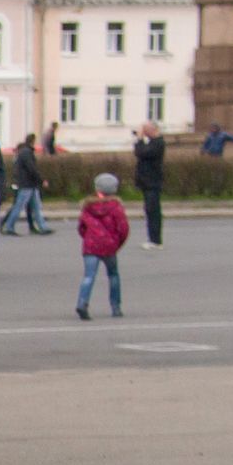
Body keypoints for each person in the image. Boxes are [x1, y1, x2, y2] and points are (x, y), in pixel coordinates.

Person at [75, 173, 129, 320]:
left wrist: (88, 238)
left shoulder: (88, 207)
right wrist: (117, 243)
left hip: (91, 246)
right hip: (109, 246)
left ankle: (82, 303)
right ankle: (115, 306)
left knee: (88, 276)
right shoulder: (116, 207)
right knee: (113, 275)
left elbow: (81, 227)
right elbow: (123, 228)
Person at [2, 133, 52, 235]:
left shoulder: (24, 152)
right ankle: (9, 226)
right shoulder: (27, 153)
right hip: (27, 184)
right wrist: (41, 180)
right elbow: (32, 169)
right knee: (20, 206)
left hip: (29, 184)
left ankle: (43, 226)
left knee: (36, 207)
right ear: (33, 141)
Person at [133, 121, 166, 249]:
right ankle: (152, 238)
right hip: (148, 182)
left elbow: (141, 153)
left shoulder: (158, 143)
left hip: (153, 182)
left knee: (153, 211)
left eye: (145, 130)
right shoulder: (153, 143)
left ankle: (155, 240)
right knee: (149, 211)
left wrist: (140, 139)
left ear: (153, 130)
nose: (144, 133)